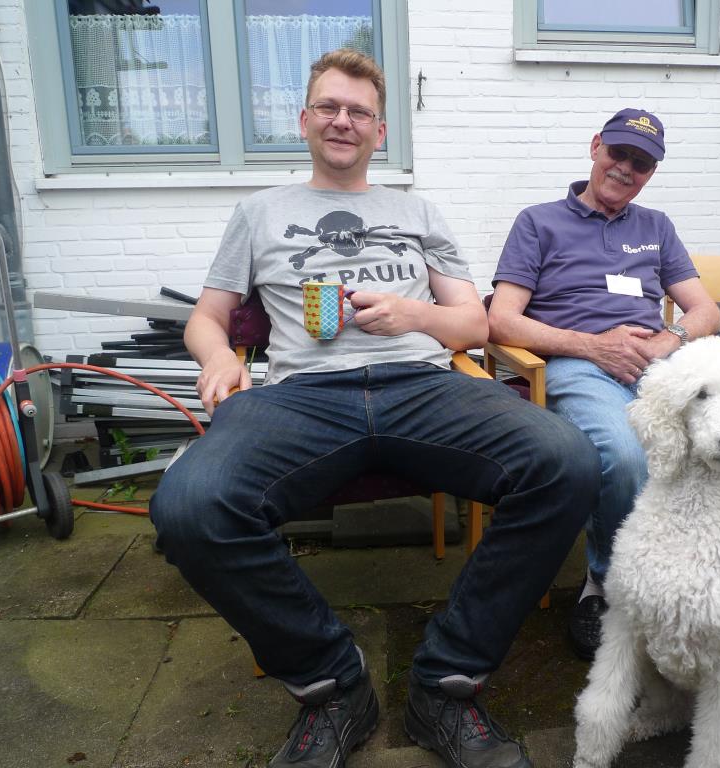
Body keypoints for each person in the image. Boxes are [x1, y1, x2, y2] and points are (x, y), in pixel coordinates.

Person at [150, 49, 599, 768]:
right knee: (188, 505)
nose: (343, 120)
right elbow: (207, 317)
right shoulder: (259, 212)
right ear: (304, 119)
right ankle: (332, 685)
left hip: (422, 386)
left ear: (379, 131)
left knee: (567, 461)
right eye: (329, 107)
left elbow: (474, 324)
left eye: (359, 111)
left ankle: (447, 683)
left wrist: (412, 314)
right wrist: (218, 358)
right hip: (301, 396)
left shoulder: (417, 211)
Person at [488, 108, 720, 661]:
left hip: (660, 364)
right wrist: (591, 346)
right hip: (579, 363)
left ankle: (700, 568)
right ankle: (606, 583)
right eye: (618, 153)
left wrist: (670, 339)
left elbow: (706, 309)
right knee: (627, 455)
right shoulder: (538, 222)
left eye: (642, 163)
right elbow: (502, 320)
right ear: (595, 147)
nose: (626, 169)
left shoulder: (656, 226)